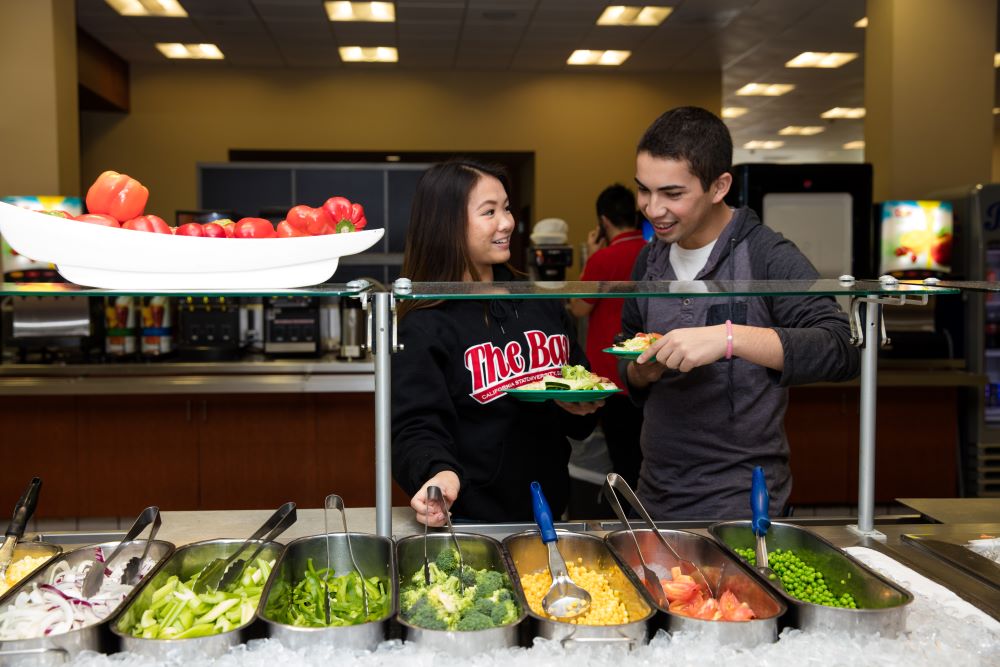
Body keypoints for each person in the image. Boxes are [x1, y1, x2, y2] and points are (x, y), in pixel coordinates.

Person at [620, 106, 860, 519]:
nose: (652, 208)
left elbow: (841, 347)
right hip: (655, 495)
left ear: (719, 186)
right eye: (644, 190)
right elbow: (630, 359)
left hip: (742, 503)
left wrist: (729, 338)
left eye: (672, 194)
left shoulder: (766, 254)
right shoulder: (648, 262)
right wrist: (641, 372)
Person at [391, 158, 602, 526]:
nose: (507, 222)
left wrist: (582, 403)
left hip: (551, 510)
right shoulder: (425, 323)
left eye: (505, 208)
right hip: (472, 519)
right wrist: (439, 474)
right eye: (489, 212)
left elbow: (577, 388)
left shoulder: (539, 303)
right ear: (447, 224)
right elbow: (414, 426)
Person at [569, 184, 647, 489]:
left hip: (612, 374)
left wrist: (590, 256)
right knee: (643, 456)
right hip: (649, 366)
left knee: (623, 460)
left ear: (604, 222)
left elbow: (577, 307)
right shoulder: (654, 252)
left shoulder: (604, 259)